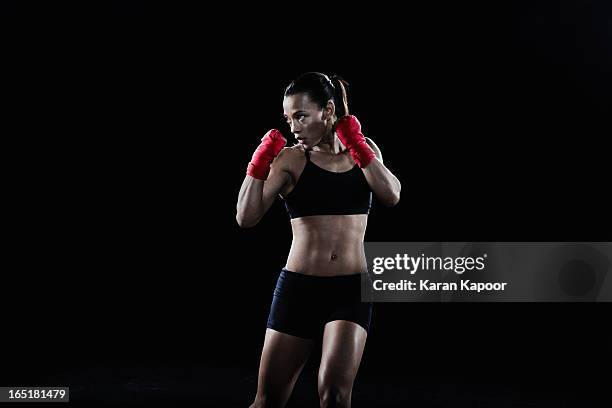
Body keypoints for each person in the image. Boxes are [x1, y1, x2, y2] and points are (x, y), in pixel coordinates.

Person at [236, 72, 401, 408]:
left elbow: (392, 195)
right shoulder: (293, 159)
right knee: (268, 401)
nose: (293, 126)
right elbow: (246, 216)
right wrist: (258, 163)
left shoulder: (364, 149)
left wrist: (359, 148)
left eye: (301, 116)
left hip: (351, 289)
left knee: (336, 397)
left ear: (328, 111)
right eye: (288, 118)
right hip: (300, 289)